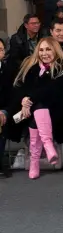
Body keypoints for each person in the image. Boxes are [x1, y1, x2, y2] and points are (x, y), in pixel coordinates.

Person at [11, 37, 63, 179]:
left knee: (40, 106)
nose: (44, 53)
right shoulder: (31, 66)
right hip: (31, 111)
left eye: (48, 49)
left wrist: (30, 100)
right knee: (39, 109)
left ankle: (35, 160)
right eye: (41, 50)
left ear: (56, 50)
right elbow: (19, 88)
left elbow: (55, 92)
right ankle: (47, 145)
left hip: (57, 110)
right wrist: (24, 100)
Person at [0, 39, 13, 178]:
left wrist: (3, 110)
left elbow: (12, 96)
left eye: (1, 49)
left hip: (3, 109)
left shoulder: (8, 71)